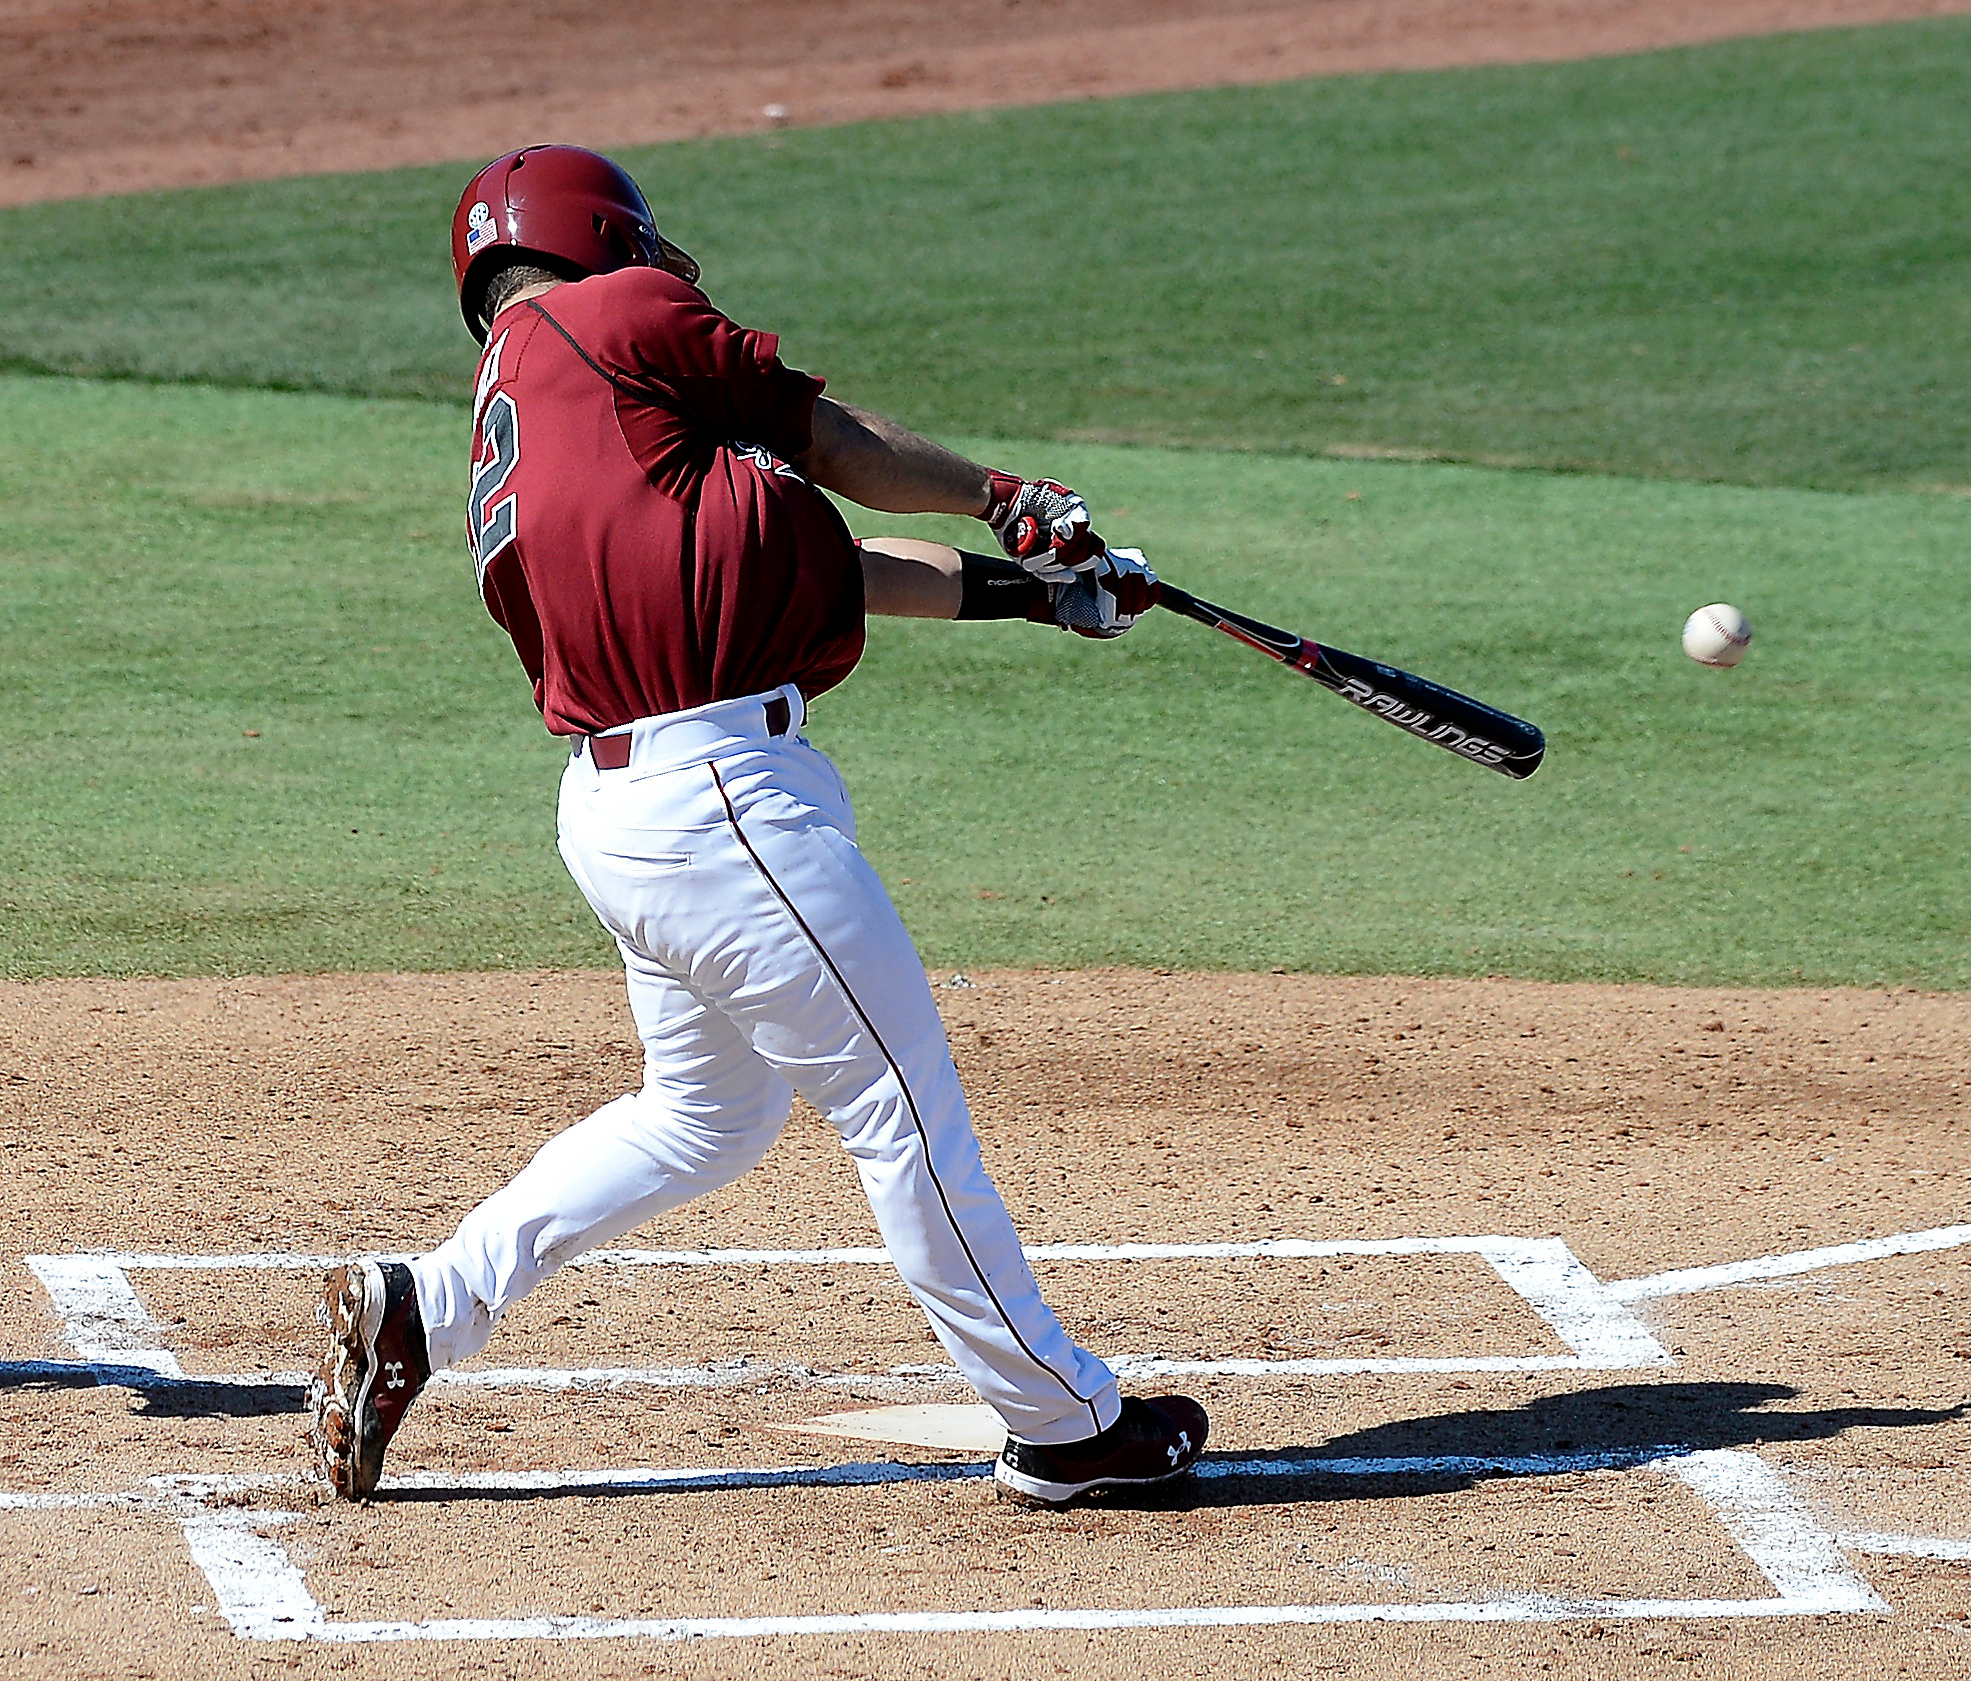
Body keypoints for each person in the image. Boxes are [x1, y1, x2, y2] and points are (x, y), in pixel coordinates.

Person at [307, 145, 1206, 1508]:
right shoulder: (609, 319)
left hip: (628, 813)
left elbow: (808, 560)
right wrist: (1004, 494)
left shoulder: (545, 398)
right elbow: (831, 444)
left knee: (702, 1118)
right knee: (899, 1108)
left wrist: (1034, 593)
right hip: (723, 806)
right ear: (601, 236)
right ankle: (1065, 1424)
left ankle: (428, 1306)